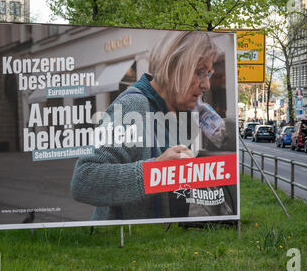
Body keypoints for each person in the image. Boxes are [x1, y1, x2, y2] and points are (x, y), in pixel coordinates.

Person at [70, 31, 224, 220]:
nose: (207, 85)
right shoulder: (132, 106)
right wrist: (156, 170)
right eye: (200, 72)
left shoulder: (186, 115)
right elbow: (84, 180)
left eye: (208, 74)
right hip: (125, 245)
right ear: (173, 67)